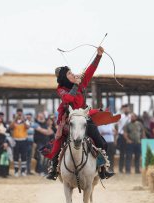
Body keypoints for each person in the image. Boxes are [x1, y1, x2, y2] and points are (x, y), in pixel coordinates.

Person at [44, 46, 114, 180]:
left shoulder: (80, 83)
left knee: (101, 142)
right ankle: (53, 168)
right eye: (69, 73)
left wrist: (98, 56)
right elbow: (68, 99)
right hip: (69, 119)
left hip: (84, 117)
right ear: (64, 77)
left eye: (72, 72)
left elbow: (90, 71)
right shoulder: (61, 89)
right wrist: (76, 85)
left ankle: (103, 168)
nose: (73, 74)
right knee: (59, 143)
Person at [10, 108, 30, 177]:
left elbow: (27, 127)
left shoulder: (25, 120)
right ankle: (16, 171)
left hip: (23, 140)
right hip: (16, 140)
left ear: (22, 113)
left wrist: (23, 120)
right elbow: (11, 127)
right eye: (18, 113)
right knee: (15, 156)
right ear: (16, 113)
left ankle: (23, 171)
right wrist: (15, 119)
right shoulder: (14, 121)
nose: (19, 114)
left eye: (20, 113)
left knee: (23, 156)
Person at [116, 104, 130, 174]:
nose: (126, 110)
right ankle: (120, 169)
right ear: (123, 109)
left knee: (128, 153)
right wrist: (120, 110)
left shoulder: (130, 117)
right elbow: (115, 118)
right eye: (125, 109)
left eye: (127, 109)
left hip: (128, 136)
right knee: (122, 154)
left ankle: (128, 169)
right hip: (121, 136)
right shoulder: (120, 116)